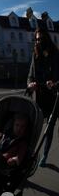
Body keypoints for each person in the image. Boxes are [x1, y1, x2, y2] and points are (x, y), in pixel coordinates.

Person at [27, 28, 59, 167]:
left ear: (47, 38)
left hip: (55, 98)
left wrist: (55, 84)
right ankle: (31, 155)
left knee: (51, 128)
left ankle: (44, 154)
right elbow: (30, 75)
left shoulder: (56, 54)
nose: (39, 42)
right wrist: (30, 84)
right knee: (38, 127)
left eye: (41, 39)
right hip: (41, 98)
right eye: (37, 39)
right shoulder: (35, 55)